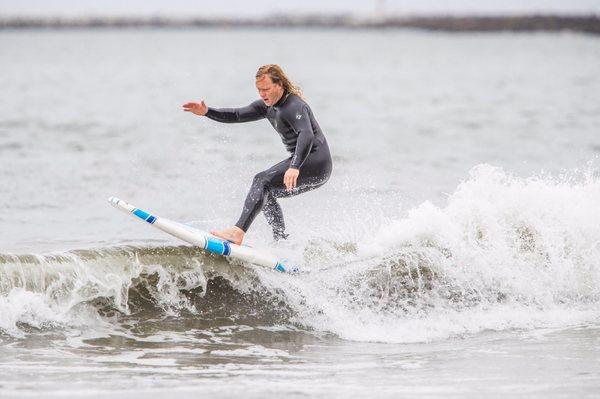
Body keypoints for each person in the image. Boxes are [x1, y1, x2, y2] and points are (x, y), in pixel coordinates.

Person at [182, 64, 332, 245]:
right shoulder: (267, 107)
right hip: (304, 162)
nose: (262, 94)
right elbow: (236, 115)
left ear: (280, 85)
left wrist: (294, 166)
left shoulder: (294, 106)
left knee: (261, 180)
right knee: (264, 192)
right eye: (259, 90)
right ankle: (282, 242)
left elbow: (306, 134)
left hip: (316, 161)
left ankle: (237, 231)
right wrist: (207, 112)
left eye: (266, 89)